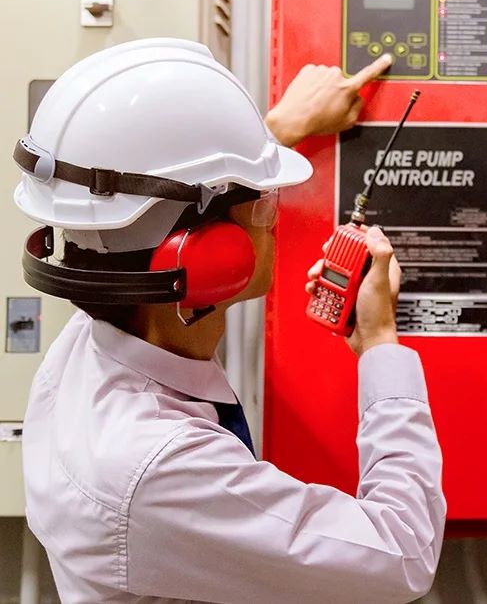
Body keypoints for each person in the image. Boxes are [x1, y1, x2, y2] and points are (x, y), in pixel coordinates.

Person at [14, 38, 445, 603]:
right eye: (264, 202)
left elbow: (149, 205)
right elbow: (403, 554)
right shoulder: (162, 469)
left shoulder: (86, 348)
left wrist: (275, 130)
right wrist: (380, 343)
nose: (276, 214)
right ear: (210, 256)